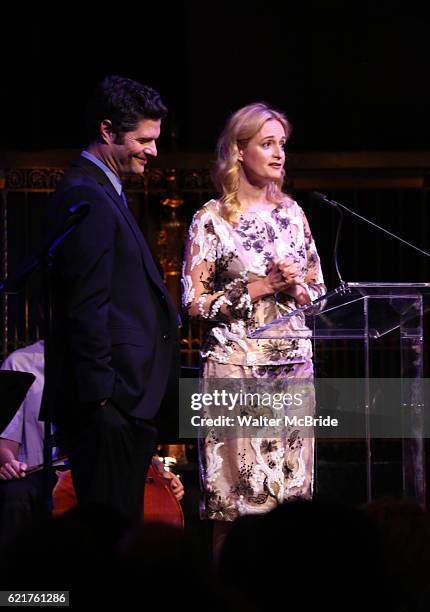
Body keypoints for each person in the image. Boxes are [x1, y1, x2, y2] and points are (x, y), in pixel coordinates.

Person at [182, 102, 326, 554]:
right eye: (267, 144)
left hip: (292, 373)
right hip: (236, 371)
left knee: (292, 507)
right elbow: (192, 303)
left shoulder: (294, 214)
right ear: (239, 151)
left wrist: (300, 287)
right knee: (236, 506)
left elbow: (320, 293)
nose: (279, 153)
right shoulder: (212, 219)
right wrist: (260, 286)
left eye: (282, 144)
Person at [41, 75, 180, 523]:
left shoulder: (105, 192)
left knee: (120, 537)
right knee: (110, 542)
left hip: (123, 404)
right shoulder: (86, 194)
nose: (153, 151)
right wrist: (102, 401)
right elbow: (86, 306)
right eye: (143, 139)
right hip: (109, 407)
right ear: (107, 131)